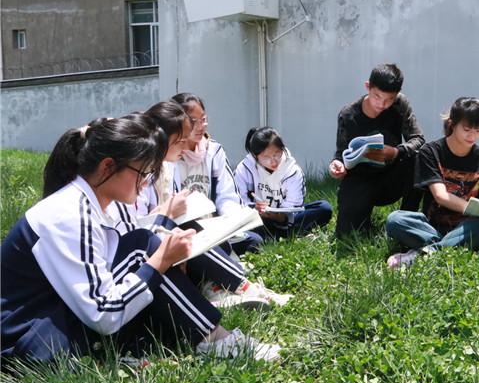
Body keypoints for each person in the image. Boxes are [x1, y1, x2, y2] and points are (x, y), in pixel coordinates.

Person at [1, 116, 280, 362]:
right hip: (29, 341)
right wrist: (160, 262)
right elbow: (104, 313)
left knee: (146, 245)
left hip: (56, 321)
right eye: (143, 172)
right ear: (108, 167)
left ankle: (209, 332)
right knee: (143, 250)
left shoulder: (97, 202)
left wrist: (164, 260)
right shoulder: (71, 213)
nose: (146, 182)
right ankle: (217, 340)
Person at [125, 102, 284, 309]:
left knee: (221, 236)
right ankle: (234, 288)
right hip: (152, 247)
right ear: (163, 139)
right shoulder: (144, 172)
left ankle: (228, 287)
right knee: (189, 231)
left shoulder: (174, 163)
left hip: (188, 229)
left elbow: (227, 195)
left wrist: (228, 220)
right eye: (181, 140)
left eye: (203, 120)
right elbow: (137, 228)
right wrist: (167, 214)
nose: (186, 146)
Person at [385, 97, 479, 268]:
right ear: (452, 124)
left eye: (478, 130)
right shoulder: (431, 152)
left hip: (466, 228)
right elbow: (441, 196)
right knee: (395, 220)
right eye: (467, 129)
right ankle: (445, 248)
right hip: (430, 227)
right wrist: (473, 209)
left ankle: (423, 254)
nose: (472, 136)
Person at [328, 64, 425, 237]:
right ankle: (363, 217)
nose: (382, 104)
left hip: (391, 176)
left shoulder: (400, 104)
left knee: (420, 159)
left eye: (389, 99)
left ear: (397, 94)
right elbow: (341, 153)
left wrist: (395, 152)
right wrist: (337, 165)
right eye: (377, 97)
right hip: (360, 179)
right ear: (368, 87)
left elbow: (418, 139)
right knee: (347, 234)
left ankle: (406, 221)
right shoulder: (348, 114)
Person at [170, 93, 264, 255]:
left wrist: (231, 222)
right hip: (183, 229)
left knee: (253, 241)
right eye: (193, 121)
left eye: (203, 119)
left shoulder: (213, 150)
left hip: (213, 225)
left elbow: (227, 195)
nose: (201, 126)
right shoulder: (170, 156)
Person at [234, 126, 333, 245]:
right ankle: (281, 236)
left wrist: (280, 217)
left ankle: (272, 237)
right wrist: (255, 209)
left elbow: (294, 207)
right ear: (255, 156)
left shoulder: (292, 171)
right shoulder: (244, 169)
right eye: (266, 157)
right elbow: (237, 202)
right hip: (256, 219)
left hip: (286, 221)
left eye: (277, 154)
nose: (273, 161)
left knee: (324, 208)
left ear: (282, 149)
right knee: (244, 225)